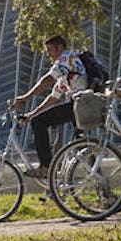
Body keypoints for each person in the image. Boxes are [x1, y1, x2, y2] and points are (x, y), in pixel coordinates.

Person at [12, 35, 89, 179]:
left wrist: (24, 98)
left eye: (50, 50)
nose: (48, 55)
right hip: (82, 105)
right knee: (83, 147)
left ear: (60, 48)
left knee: (39, 122)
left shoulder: (65, 58)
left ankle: (46, 167)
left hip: (79, 104)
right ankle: (104, 192)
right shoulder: (68, 65)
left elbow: (46, 81)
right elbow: (53, 97)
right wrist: (31, 114)